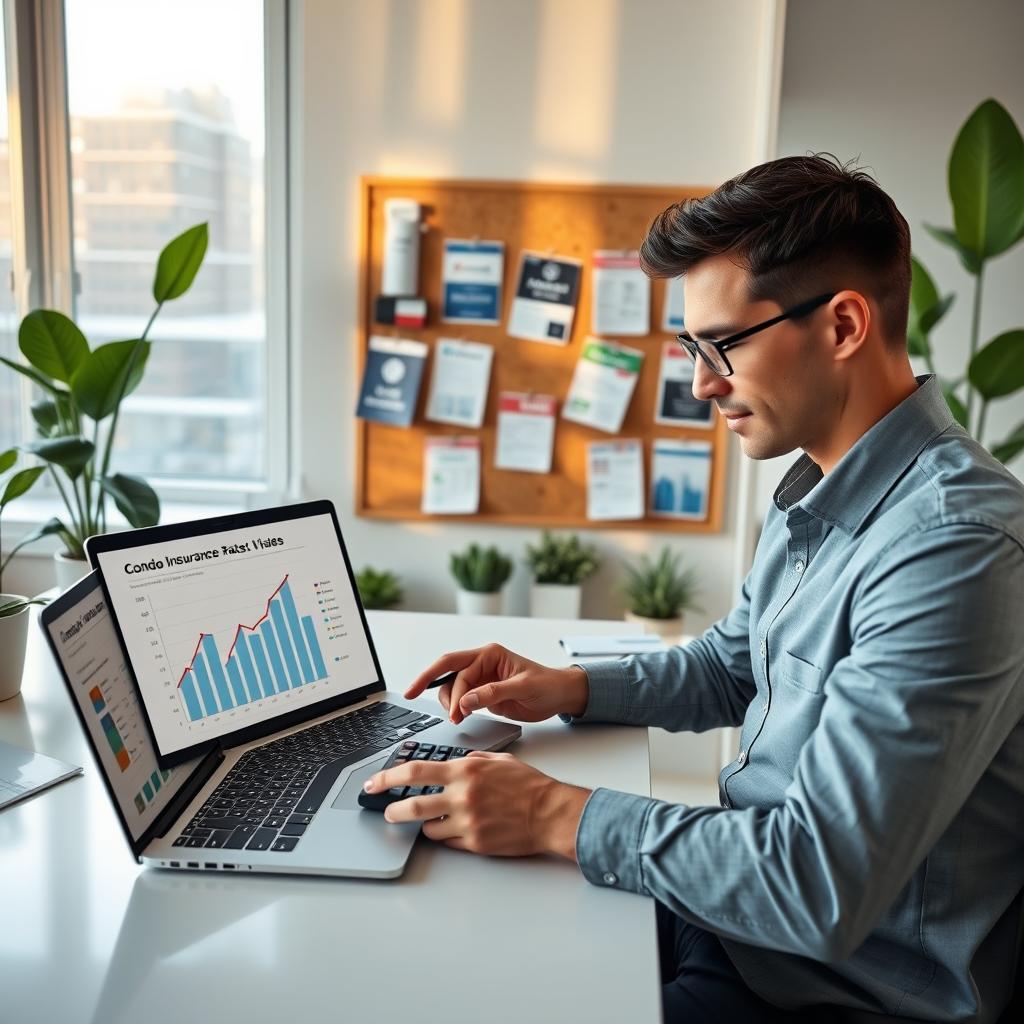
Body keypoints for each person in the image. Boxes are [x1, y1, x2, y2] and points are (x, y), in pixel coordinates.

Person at [361, 154, 1024, 1022]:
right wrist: (568, 688)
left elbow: (814, 886)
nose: (704, 381)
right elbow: (732, 665)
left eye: (722, 346)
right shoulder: (818, 488)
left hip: (833, 986)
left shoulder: (953, 548)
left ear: (844, 324)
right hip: (739, 921)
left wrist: (557, 816)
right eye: (690, 349)